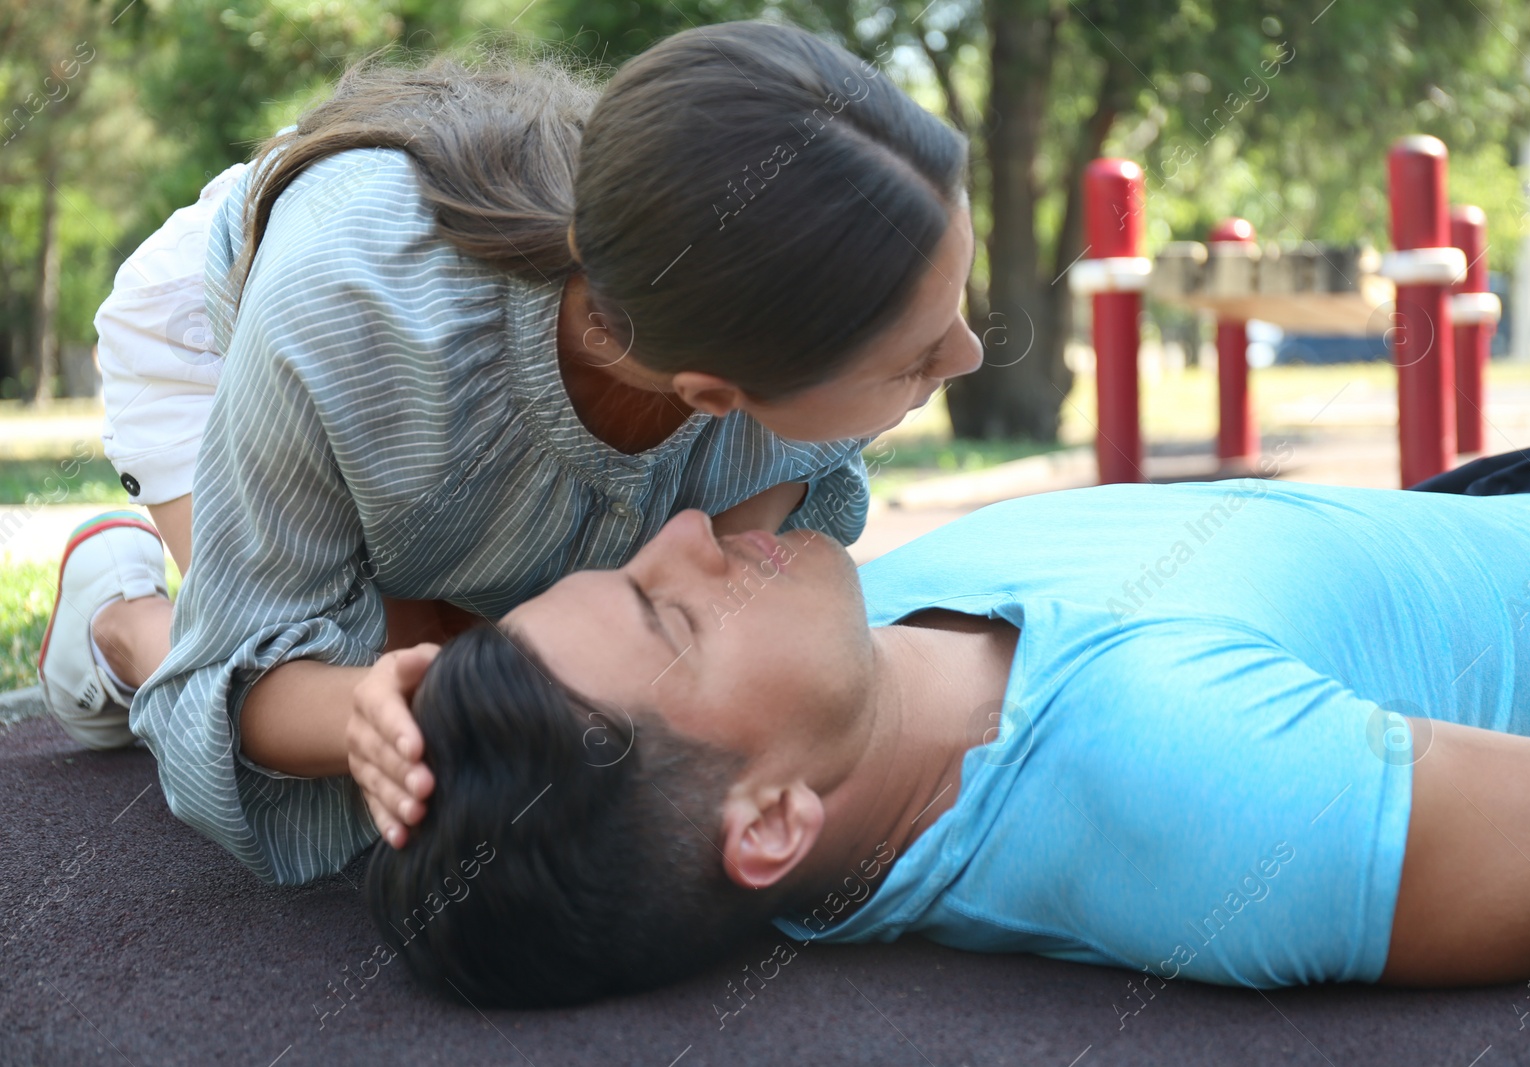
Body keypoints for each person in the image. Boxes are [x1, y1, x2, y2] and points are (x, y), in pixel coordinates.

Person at [36, 21, 981, 884]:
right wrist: (375, 703)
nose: (969, 355)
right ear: (713, 396)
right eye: (917, 360)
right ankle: (120, 623)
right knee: (424, 740)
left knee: (540, 711)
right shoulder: (347, 313)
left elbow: (717, 603)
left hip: (446, 412)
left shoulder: (756, 346)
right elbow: (251, 668)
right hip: (234, 332)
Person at [367, 477, 1530, 1006]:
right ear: (772, 818)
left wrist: (403, 704)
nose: (687, 524)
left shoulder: (850, 647)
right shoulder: (1193, 782)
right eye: (670, 610)